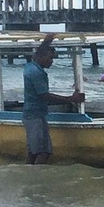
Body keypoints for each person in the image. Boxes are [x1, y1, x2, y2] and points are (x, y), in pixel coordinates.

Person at [22, 34, 85, 164]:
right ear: (41, 57)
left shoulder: (31, 67)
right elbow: (45, 96)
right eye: (50, 58)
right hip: (35, 116)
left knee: (36, 151)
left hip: (36, 114)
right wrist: (70, 99)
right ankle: (33, 176)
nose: (51, 61)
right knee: (42, 152)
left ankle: (29, 172)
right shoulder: (35, 72)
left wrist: (47, 41)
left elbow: (40, 52)